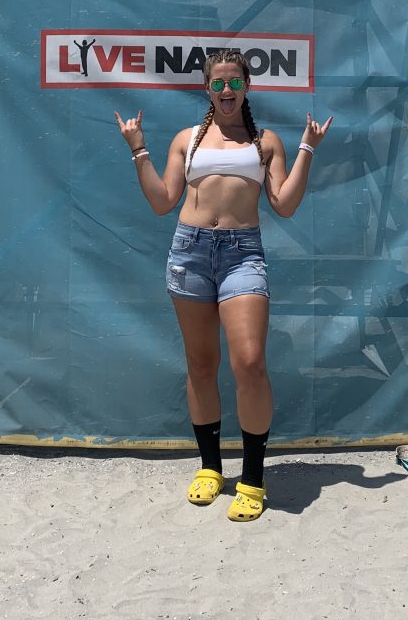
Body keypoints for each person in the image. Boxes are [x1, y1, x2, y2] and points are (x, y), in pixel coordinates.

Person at [114, 49, 332, 521]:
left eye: (234, 82)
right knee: (200, 364)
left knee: (250, 362)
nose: (226, 90)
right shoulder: (187, 140)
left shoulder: (265, 141)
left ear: (247, 87)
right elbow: (162, 201)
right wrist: (138, 148)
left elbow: (285, 205)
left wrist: (308, 150)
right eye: (218, 83)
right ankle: (211, 467)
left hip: (242, 255)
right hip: (189, 252)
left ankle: (253, 476)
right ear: (206, 87)